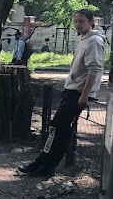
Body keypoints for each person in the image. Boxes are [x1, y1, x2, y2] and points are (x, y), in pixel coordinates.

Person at [18, 9, 106, 178]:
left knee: (60, 129)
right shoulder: (83, 39)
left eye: (81, 21)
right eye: (76, 21)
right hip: (71, 89)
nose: (78, 24)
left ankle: (47, 166)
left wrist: (84, 95)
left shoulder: (94, 41)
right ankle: (42, 163)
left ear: (91, 22)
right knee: (56, 128)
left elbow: (94, 69)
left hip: (78, 92)